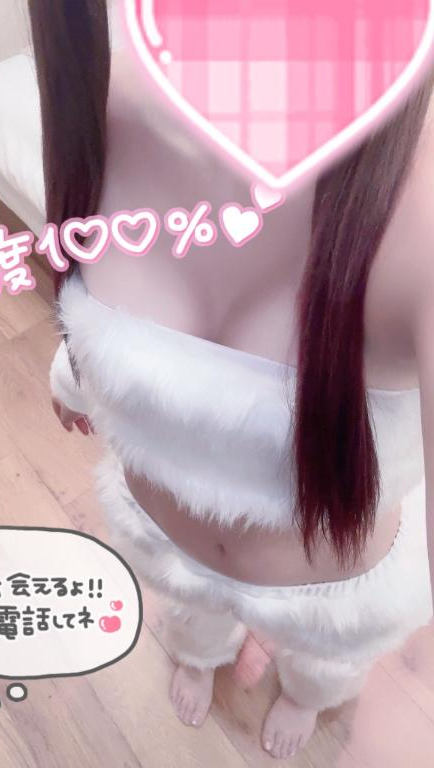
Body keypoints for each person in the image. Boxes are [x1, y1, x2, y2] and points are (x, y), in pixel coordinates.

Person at [30, 1, 434, 759]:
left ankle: (309, 694)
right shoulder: (98, 85)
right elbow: (82, 290)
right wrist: (78, 373)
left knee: (322, 670)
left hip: (329, 593)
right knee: (191, 626)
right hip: (164, 537)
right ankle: (200, 652)